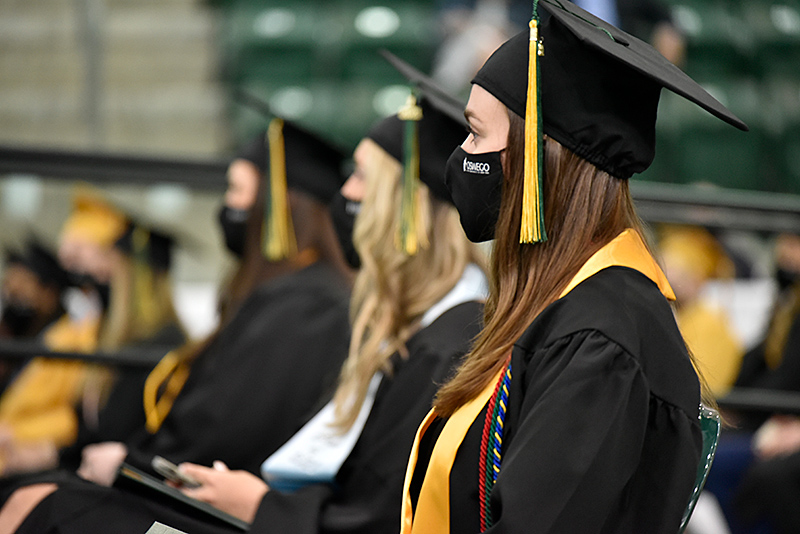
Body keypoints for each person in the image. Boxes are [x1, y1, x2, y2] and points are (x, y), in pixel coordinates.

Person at [3, 55, 488, 534]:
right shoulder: (409, 325)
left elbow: (380, 512)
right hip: (262, 511)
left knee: (51, 508)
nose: (346, 193)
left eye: (362, 176)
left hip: (267, 520)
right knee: (47, 501)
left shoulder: (443, 340)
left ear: (403, 204)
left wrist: (256, 504)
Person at [400, 1, 747, 533]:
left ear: (538, 158)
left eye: (475, 133)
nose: (461, 155)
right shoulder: (564, 308)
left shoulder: (600, 339)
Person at [0, 240, 70, 391]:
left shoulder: (61, 336)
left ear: (49, 292)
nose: (13, 292)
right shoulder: (18, 327)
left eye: (25, 283)